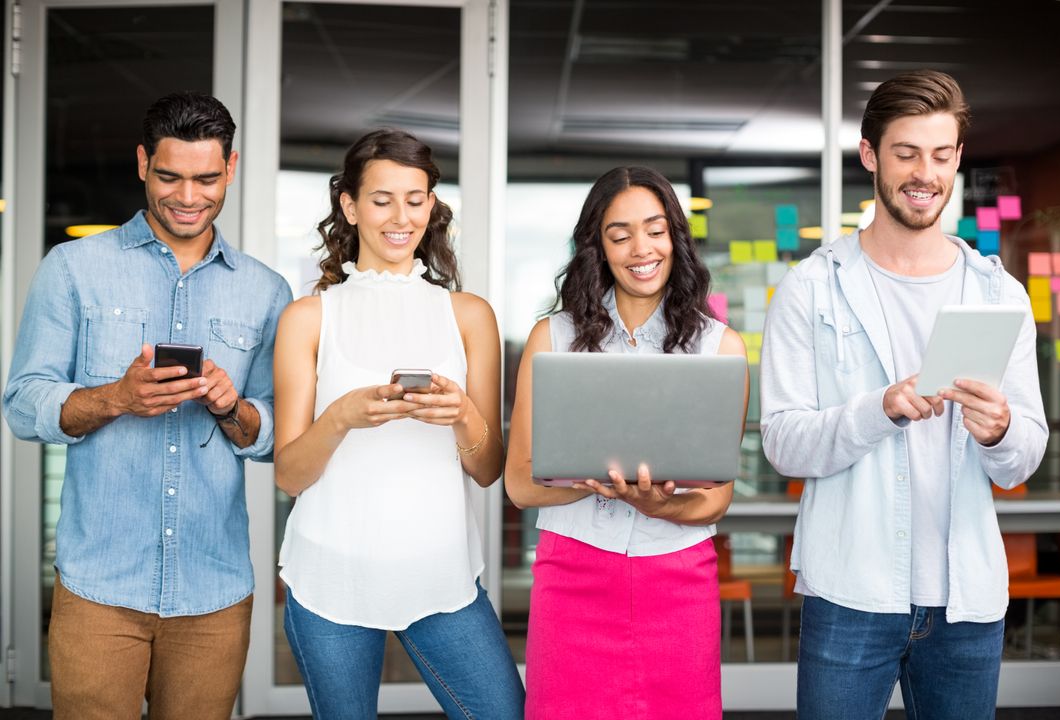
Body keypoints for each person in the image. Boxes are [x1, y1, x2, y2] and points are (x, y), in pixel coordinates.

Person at [760, 70, 1048, 720]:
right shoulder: (811, 289)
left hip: (966, 601)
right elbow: (783, 443)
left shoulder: (998, 293)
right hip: (850, 592)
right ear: (869, 154)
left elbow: (1022, 456)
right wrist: (880, 408)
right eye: (907, 153)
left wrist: (1000, 429)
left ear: (957, 159)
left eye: (942, 155)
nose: (926, 173)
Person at [3, 92, 292, 719]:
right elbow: (23, 405)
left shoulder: (267, 292)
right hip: (100, 585)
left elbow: (274, 434)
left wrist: (230, 406)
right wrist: (116, 397)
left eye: (207, 178)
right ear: (142, 163)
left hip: (214, 589)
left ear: (232, 168)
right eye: (170, 176)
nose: (188, 196)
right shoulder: (73, 268)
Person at [273, 128, 524, 720]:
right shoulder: (308, 318)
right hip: (329, 576)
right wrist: (340, 418)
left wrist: (464, 416)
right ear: (350, 205)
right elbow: (288, 474)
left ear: (432, 205)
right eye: (382, 199)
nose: (400, 216)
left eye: (415, 199)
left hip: (442, 575)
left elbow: (489, 471)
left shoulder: (469, 315)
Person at [504, 166, 747, 719]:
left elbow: (716, 497)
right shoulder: (554, 338)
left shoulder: (719, 348)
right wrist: (596, 483)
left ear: (675, 238)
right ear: (599, 247)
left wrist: (658, 504)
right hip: (573, 576)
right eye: (620, 234)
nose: (642, 248)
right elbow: (520, 483)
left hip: (678, 579)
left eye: (656, 230)